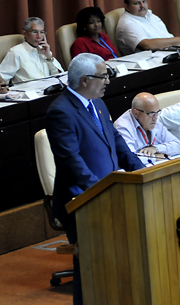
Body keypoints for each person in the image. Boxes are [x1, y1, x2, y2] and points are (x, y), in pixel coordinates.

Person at [46, 53, 144, 305]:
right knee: (89, 268)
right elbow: (71, 162)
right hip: (84, 201)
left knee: (116, 263)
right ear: (85, 79)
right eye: (104, 76)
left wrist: (140, 171)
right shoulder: (61, 112)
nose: (108, 81)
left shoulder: (97, 103)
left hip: (109, 195)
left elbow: (116, 143)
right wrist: (102, 191)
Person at [115, 0, 180, 56]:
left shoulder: (150, 15)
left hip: (170, 53)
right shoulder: (127, 23)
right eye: (137, 3)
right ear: (127, 7)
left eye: (144, 1)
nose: (142, 6)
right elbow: (147, 45)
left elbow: (167, 37)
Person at [114, 92, 180, 163]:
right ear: (136, 113)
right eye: (151, 114)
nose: (155, 118)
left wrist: (156, 149)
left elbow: (178, 146)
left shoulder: (155, 119)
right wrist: (155, 157)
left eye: (157, 113)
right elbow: (129, 158)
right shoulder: (122, 127)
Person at [0, 17, 63, 84]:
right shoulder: (15, 52)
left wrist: (49, 57)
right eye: (35, 32)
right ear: (25, 33)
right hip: (27, 92)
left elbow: (59, 76)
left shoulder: (44, 50)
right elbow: (2, 78)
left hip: (48, 90)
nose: (39, 36)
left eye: (42, 32)